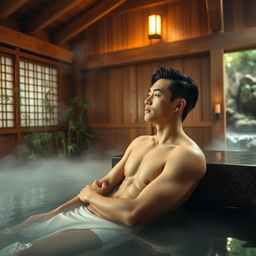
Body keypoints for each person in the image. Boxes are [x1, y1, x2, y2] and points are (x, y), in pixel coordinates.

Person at [0, 66, 206, 256]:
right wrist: (52, 213)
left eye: (157, 95)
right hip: (85, 211)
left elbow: (132, 214)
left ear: (178, 104)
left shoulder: (186, 156)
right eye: (148, 94)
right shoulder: (140, 142)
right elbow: (105, 184)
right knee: (8, 234)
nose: (147, 101)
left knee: (22, 254)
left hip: (113, 226)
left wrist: (90, 195)